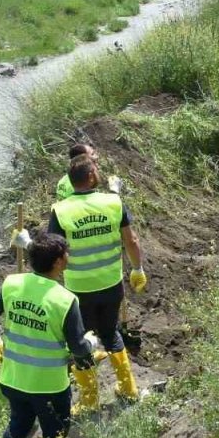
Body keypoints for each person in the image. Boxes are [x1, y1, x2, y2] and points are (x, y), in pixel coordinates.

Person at [48, 154, 146, 413]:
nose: (99, 171)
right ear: (90, 176)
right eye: (97, 169)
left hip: (79, 289)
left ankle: (90, 401)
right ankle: (128, 389)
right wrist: (138, 268)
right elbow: (131, 241)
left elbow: (52, 250)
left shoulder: (61, 210)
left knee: (81, 340)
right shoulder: (113, 202)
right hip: (112, 284)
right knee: (110, 331)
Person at [0, 234, 97, 438]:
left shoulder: (12, 284)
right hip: (48, 386)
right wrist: (91, 344)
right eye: (66, 253)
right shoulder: (65, 300)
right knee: (55, 435)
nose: (69, 256)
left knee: (18, 427)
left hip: (13, 379)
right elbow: (78, 348)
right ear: (58, 262)